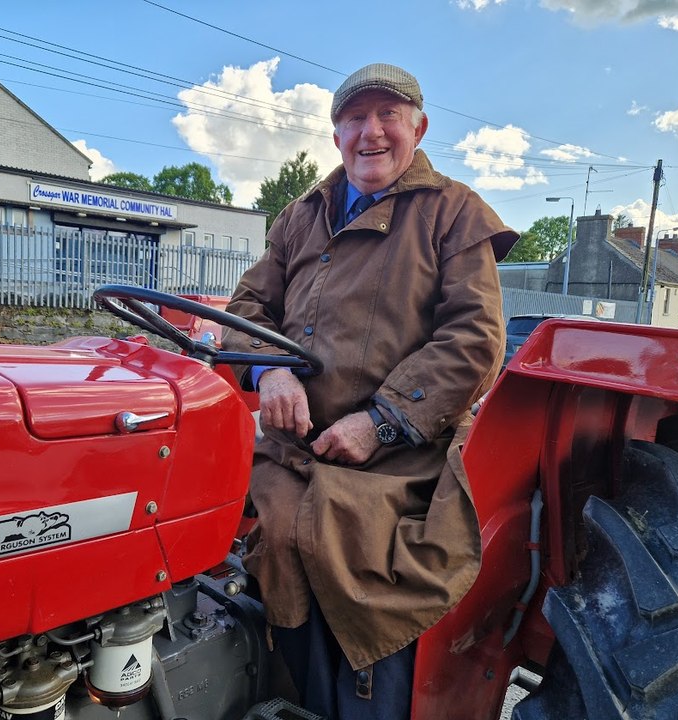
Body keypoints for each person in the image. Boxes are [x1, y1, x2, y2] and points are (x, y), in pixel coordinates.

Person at [222, 63, 518, 719]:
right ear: (335, 134)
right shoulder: (301, 215)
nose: (371, 132)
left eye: (388, 115)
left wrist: (379, 423)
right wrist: (269, 371)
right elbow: (246, 306)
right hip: (291, 449)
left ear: (419, 127)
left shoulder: (452, 212)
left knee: (364, 558)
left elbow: (473, 339)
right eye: (356, 118)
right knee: (231, 532)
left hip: (398, 458)